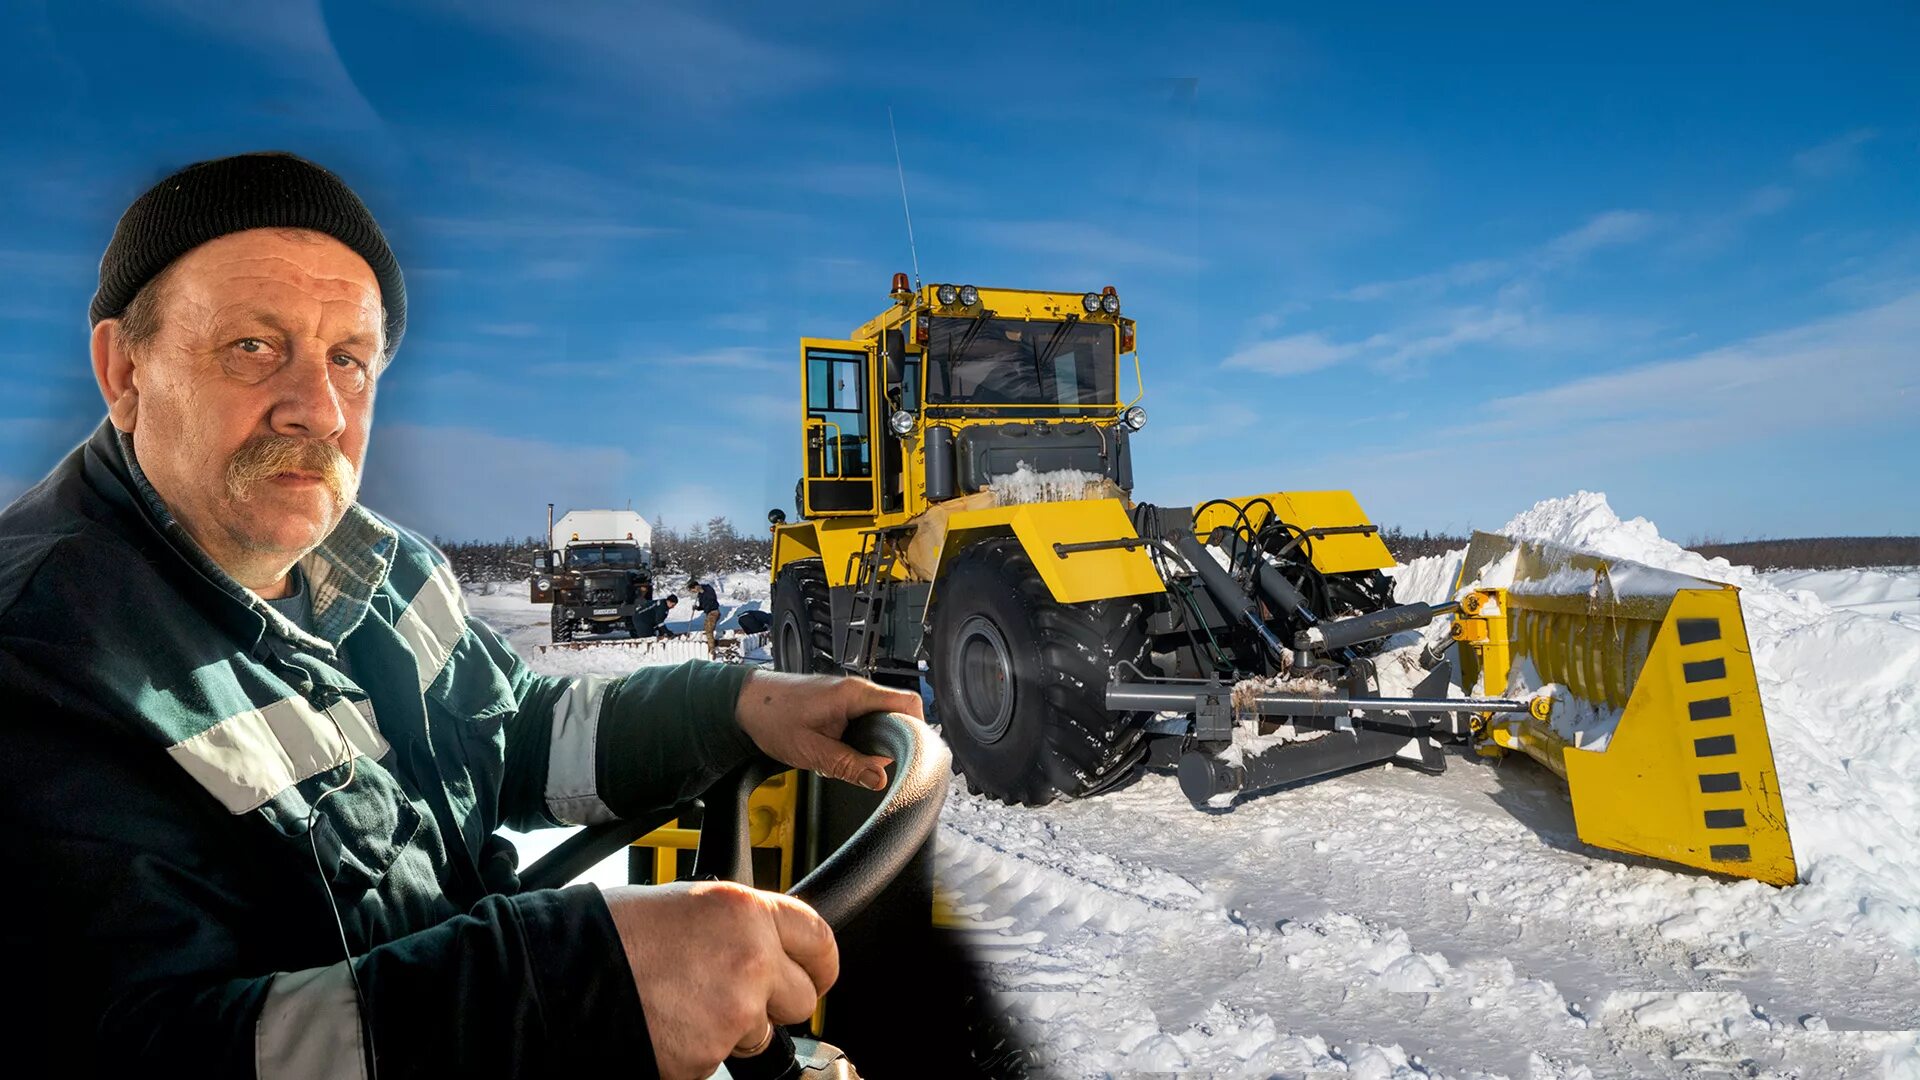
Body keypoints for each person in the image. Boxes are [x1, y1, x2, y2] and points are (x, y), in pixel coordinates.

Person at [0, 152, 927, 1079]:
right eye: (253, 346)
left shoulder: (384, 565)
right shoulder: (47, 656)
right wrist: (575, 988)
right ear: (124, 368)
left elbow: (514, 729)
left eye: (348, 362)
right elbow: (145, 1045)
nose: (318, 410)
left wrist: (733, 705)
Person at [691, 577, 722, 657]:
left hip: (714, 612)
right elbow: (702, 606)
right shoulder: (700, 595)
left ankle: (712, 649)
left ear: (696, 587)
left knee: (708, 630)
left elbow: (712, 597)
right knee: (707, 628)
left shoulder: (707, 589)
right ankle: (710, 644)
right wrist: (697, 608)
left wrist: (702, 591)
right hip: (708, 613)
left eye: (693, 590)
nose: (694, 592)